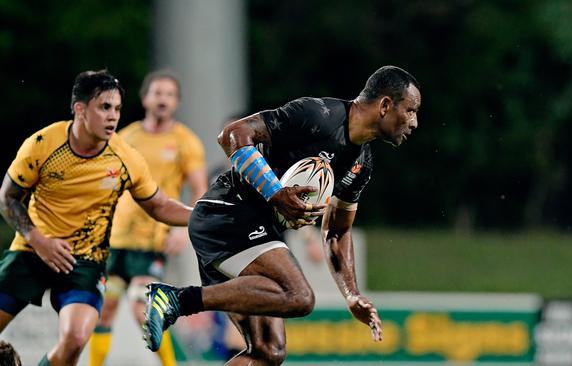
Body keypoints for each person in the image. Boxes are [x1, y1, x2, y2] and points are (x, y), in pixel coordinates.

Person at [143, 65, 421, 365]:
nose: (414, 122)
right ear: (385, 105)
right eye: (411, 110)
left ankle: (178, 300)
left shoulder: (361, 164)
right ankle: (175, 299)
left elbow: (337, 231)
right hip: (228, 213)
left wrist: (351, 294)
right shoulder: (318, 115)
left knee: (268, 352)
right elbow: (232, 134)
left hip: (254, 234)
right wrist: (275, 193)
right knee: (299, 296)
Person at [0, 70, 193, 366]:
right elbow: (8, 198)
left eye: (117, 109)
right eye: (104, 107)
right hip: (31, 251)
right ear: (80, 109)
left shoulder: (126, 156)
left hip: (86, 262)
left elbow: (160, 206)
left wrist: (204, 217)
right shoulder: (42, 144)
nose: (113, 116)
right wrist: (39, 241)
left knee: (76, 339)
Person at [88, 70, 207, 366]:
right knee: (104, 308)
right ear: (145, 98)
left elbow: (200, 189)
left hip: (153, 240)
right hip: (115, 239)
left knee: (143, 308)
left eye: (169, 94)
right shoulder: (125, 137)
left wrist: (184, 230)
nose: (162, 99)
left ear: (176, 102)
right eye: (157, 93)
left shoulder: (185, 141)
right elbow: (104, 183)